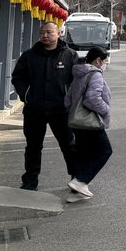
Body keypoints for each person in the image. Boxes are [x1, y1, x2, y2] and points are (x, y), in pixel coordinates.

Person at [11, 22, 77, 190]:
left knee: (69, 145)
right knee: (33, 147)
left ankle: (78, 179)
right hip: (35, 110)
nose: (45, 35)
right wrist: (27, 96)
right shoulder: (29, 56)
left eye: (49, 32)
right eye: (42, 33)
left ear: (58, 33)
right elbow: (17, 77)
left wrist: (71, 98)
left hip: (61, 110)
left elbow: (77, 80)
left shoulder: (69, 56)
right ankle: (30, 181)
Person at [64, 46, 112, 200]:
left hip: (76, 121)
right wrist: (105, 110)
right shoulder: (95, 74)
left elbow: (68, 99)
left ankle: (77, 192)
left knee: (84, 153)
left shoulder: (78, 73)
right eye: (104, 61)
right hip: (90, 121)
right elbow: (92, 99)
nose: (105, 64)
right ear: (98, 60)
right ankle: (81, 181)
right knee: (104, 150)